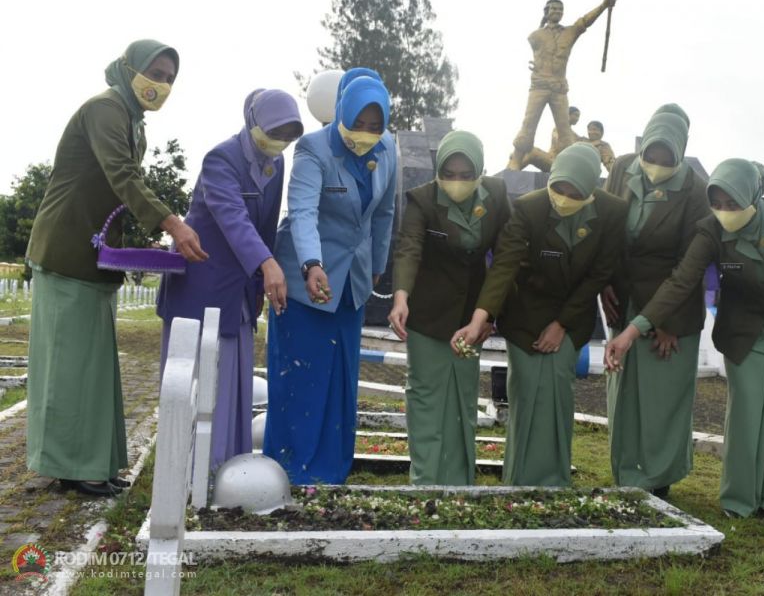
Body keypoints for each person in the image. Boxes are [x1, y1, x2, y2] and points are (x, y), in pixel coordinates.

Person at [25, 40, 206, 497]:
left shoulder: (132, 119)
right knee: (69, 366)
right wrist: (172, 223)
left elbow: (120, 190)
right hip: (66, 250)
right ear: (128, 69)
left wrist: (138, 240)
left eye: (169, 78)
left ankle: (93, 463)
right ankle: (73, 467)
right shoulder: (106, 109)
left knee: (92, 365)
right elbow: (122, 176)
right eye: (156, 72)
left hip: (92, 254)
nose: (161, 84)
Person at [605, 158, 764, 519]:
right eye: (717, 204)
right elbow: (680, 281)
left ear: (753, 195)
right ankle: (738, 501)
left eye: (733, 204)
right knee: (746, 415)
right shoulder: (711, 230)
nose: (724, 212)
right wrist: (632, 330)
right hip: (742, 332)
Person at [453, 143, 627, 486]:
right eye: (557, 188)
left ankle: (553, 480)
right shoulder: (529, 208)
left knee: (557, 396)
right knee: (527, 394)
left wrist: (561, 324)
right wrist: (480, 318)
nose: (563, 197)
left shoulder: (612, 213)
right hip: (525, 314)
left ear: (591, 189)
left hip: (571, 315)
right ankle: (518, 481)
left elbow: (598, 274)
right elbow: (503, 266)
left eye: (573, 192)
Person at [156, 89, 303, 470]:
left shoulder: (275, 164)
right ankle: (189, 468)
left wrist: (257, 284)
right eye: (275, 131)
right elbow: (232, 217)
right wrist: (268, 265)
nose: (280, 141)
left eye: (288, 135)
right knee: (199, 381)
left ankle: (226, 465)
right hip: (201, 285)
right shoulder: (221, 159)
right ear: (253, 122)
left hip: (237, 289)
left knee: (231, 381)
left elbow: (266, 226)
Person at [264, 73, 397, 485]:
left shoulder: (388, 148)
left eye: (376, 126)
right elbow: (302, 213)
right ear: (342, 113)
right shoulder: (313, 149)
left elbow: (384, 211)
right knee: (302, 377)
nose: (367, 133)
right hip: (307, 283)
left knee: (341, 378)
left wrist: (377, 263)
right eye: (360, 123)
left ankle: (332, 470)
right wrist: (311, 264)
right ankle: (290, 469)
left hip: (352, 283)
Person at [389, 130, 511, 485]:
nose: (457, 182)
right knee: (426, 397)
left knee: (462, 396)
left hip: (472, 317)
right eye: (449, 174)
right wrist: (401, 297)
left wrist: (490, 315)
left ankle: (459, 481)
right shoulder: (423, 200)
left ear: (480, 171)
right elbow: (409, 246)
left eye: (466, 174)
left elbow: (506, 259)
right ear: (438, 171)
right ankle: (425, 480)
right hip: (427, 314)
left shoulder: (498, 195)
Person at [600, 109, 710, 498]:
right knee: (624, 393)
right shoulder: (623, 169)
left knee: (661, 398)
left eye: (667, 160)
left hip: (671, 309)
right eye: (652, 156)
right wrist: (605, 283)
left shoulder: (697, 191)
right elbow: (607, 226)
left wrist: (668, 321)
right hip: (625, 298)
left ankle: (658, 480)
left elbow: (687, 269)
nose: (657, 166)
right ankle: (627, 476)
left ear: (681, 154)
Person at [508, 0, 617, 170]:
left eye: (560, 10)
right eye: (554, 9)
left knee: (565, 133)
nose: (557, 12)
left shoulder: (569, 33)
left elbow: (585, 22)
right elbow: (536, 49)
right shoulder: (536, 36)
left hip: (559, 89)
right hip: (539, 86)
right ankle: (516, 160)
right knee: (529, 124)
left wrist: (604, 5)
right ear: (546, 12)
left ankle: (568, 166)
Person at [523, 106, 584, 172]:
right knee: (531, 151)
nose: (577, 119)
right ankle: (513, 170)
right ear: (567, 115)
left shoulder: (574, 135)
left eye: (578, 116)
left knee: (532, 152)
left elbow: (582, 142)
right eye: (576, 115)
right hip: (553, 160)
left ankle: (513, 170)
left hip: (561, 164)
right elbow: (558, 142)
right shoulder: (559, 129)